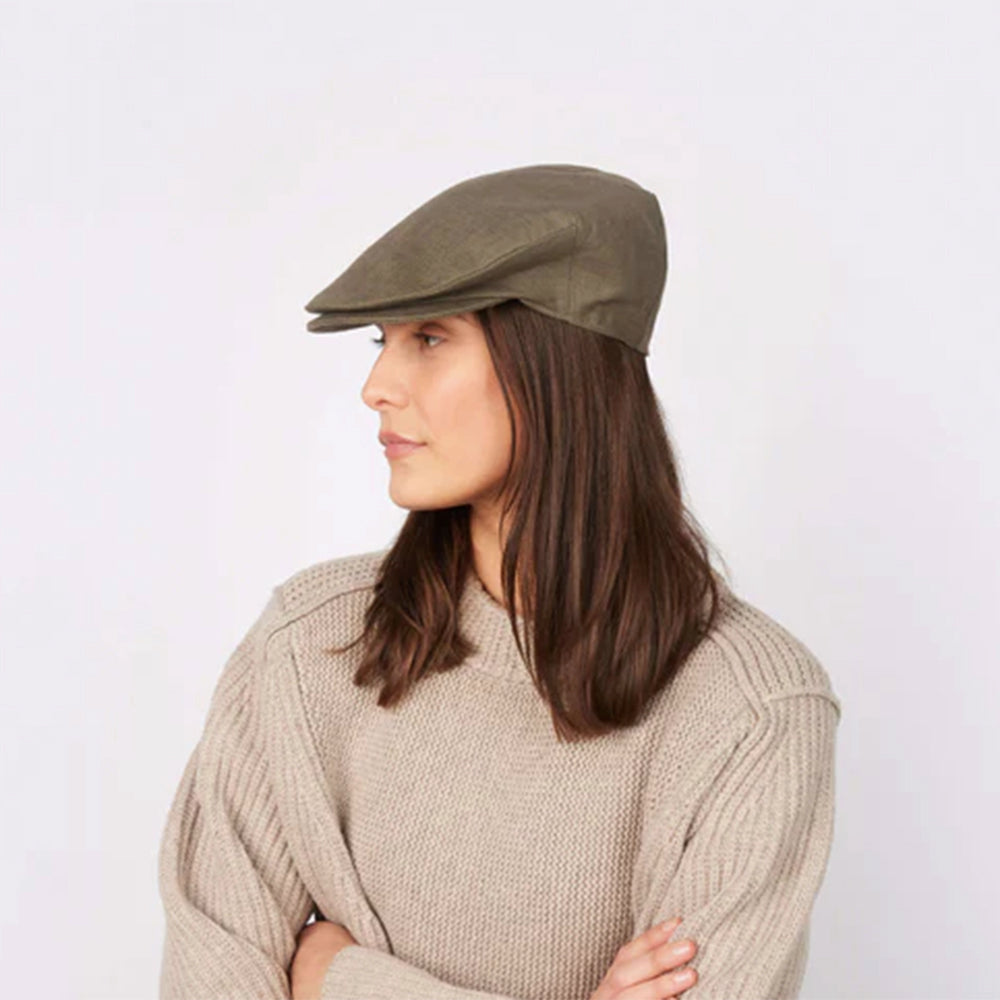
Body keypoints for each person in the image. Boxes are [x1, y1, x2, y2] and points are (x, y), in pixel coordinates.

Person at [157, 164, 842, 1000]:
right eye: (383, 341)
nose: (377, 386)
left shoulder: (749, 706)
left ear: (554, 367)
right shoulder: (309, 646)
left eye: (430, 338)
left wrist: (340, 977)